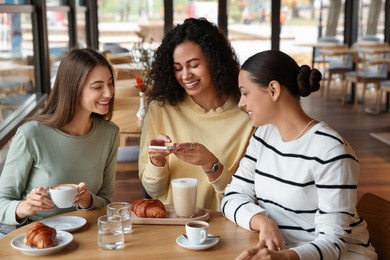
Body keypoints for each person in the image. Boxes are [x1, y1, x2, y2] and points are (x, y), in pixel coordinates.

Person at [221, 50, 377, 260]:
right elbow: (232, 195)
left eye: (245, 92)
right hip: (284, 251)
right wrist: (263, 221)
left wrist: (284, 257)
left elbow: (334, 242)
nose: (241, 103)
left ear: (274, 90)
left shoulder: (331, 151)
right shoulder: (264, 136)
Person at [0, 48, 119, 237]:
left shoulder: (109, 133)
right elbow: (2, 202)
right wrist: (25, 207)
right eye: (97, 87)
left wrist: (88, 201)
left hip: (86, 235)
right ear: (73, 89)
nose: (108, 93)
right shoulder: (31, 134)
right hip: (34, 236)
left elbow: (105, 200)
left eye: (110, 84)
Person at [138, 17, 254, 211]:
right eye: (177, 68)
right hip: (173, 225)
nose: (185, 75)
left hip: (229, 224)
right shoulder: (161, 109)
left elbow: (249, 195)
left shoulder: (246, 112)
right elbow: (154, 191)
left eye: (193, 65)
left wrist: (211, 164)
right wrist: (156, 162)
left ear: (214, 60)